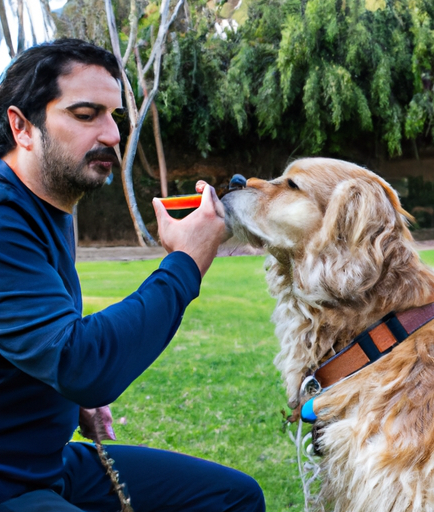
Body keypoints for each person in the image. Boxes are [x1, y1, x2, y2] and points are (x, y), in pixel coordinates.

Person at [0, 38, 265, 512]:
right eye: (86, 115)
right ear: (22, 126)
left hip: (46, 464)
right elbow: (80, 362)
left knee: (233, 499)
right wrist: (184, 264)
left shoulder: (51, 203)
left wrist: (57, 392)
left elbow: (37, 338)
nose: (111, 134)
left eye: (113, 116)